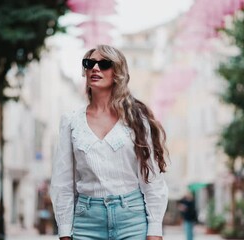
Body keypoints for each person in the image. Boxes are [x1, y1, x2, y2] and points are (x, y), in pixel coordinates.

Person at [50, 45, 169, 240]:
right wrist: (64, 231)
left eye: (104, 64)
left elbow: (152, 179)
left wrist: (154, 230)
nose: (95, 69)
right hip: (87, 222)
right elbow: (62, 182)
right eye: (89, 64)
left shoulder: (137, 119)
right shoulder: (71, 121)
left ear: (117, 73)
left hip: (132, 220)